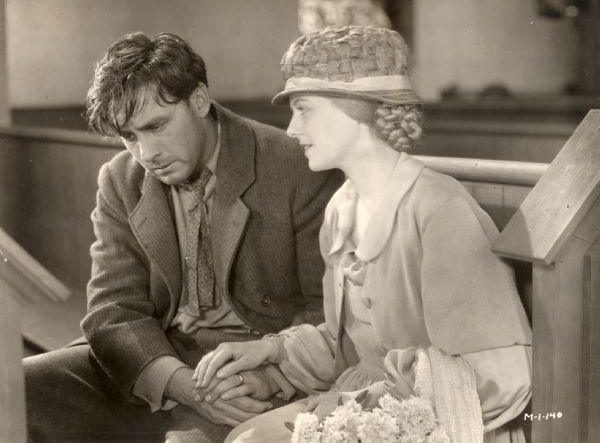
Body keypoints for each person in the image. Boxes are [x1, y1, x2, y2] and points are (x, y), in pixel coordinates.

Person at [193, 25, 533, 443]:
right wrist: (273, 356)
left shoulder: (439, 209)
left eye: (305, 109)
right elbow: (352, 350)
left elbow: (503, 377)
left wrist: (369, 402)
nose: (293, 129)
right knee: (244, 436)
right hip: (368, 404)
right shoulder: (342, 208)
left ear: (354, 107)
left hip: (441, 422)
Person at [23, 32, 342, 442]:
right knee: (19, 387)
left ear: (199, 100)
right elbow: (113, 310)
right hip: (158, 359)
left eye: (156, 126)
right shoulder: (122, 179)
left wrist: (268, 374)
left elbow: (329, 313)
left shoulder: (295, 165)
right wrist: (179, 384)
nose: (146, 153)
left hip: (254, 371)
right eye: (130, 136)